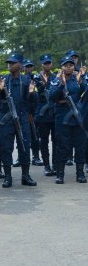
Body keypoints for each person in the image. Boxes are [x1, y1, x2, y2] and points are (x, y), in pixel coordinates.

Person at [0, 52, 37, 188]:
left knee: (25, 146)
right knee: (6, 147)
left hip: (22, 117)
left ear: (20, 65)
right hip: (6, 118)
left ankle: (25, 175)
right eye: (9, 63)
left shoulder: (26, 81)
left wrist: (31, 93)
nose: (10, 65)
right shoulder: (3, 80)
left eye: (13, 63)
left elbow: (33, 102)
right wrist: (0, 90)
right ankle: (7, 176)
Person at [47, 55, 88, 184]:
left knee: (80, 146)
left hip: (77, 118)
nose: (68, 67)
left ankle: (80, 174)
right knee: (62, 147)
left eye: (71, 65)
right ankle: (60, 175)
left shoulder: (78, 79)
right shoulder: (56, 80)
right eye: (66, 65)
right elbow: (52, 97)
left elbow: (86, 92)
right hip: (62, 119)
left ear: (73, 67)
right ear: (62, 67)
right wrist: (61, 84)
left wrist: (82, 81)